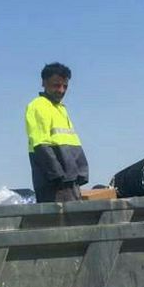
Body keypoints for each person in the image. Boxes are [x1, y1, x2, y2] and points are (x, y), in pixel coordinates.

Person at [26, 62, 89, 203]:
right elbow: (40, 144)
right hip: (55, 184)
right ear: (44, 82)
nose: (61, 90)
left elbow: (72, 142)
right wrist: (57, 177)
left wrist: (81, 171)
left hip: (70, 180)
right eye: (56, 85)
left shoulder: (61, 109)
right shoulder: (38, 106)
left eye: (65, 86)